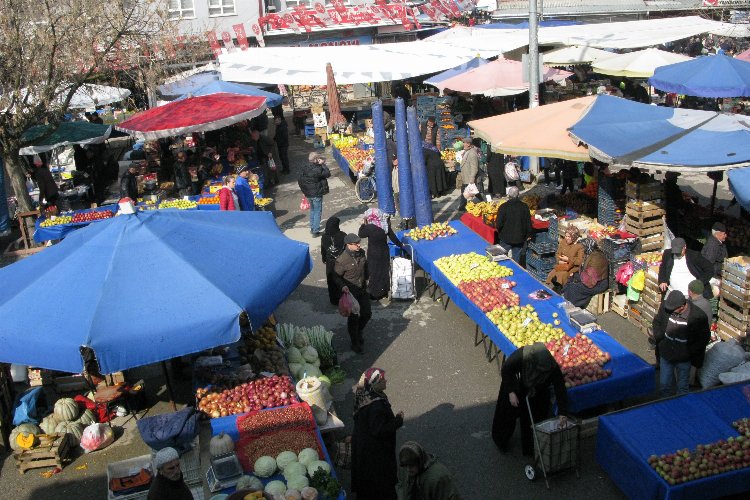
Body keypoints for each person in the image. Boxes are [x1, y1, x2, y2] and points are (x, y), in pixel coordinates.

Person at [491, 342, 568, 456]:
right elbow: (506, 370)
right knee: (507, 412)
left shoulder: (551, 365)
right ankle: (501, 440)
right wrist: (511, 392)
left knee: (536, 416)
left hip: (538, 389)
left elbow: (560, 387)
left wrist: (563, 412)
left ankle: (531, 448)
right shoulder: (521, 356)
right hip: (516, 383)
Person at [351, 368, 404, 500]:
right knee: (381, 488)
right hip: (375, 456)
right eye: (383, 379)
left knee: (365, 488)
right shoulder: (376, 406)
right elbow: (379, 430)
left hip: (363, 449)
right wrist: (398, 421)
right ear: (375, 384)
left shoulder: (364, 396)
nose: (386, 380)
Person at [651, 290, 710, 396]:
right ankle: (666, 407)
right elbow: (657, 321)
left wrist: (689, 352)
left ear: (682, 306)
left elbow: (703, 338)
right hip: (666, 354)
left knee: (682, 387)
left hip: (683, 358)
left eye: (673, 309)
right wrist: (658, 336)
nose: (669, 311)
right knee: (664, 385)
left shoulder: (698, 316)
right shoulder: (666, 306)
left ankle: (681, 409)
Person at [334, 234, 371, 353]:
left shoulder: (361, 253)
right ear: (348, 245)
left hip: (363, 289)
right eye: (356, 244)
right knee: (354, 319)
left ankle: (359, 331)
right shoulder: (341, 260)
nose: (359, 245)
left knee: (367, 314)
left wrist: (368, 278)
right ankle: (354, 342)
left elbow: (365, 267)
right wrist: (342, 286)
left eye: (359, 242)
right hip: (351, 293)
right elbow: (336, 276)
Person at [358, 208, 404, 300]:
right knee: (384, 272)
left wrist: (363, 224)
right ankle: (384, 291)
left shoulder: (369, 228)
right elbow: (393, 237)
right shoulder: (384, 225)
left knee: (374, 273)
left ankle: (375, 294)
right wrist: (401, 245)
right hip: (384, 252)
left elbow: (360, 234)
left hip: (374, 254)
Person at [397, 441, 463, 500]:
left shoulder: (438, 477)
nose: (408, 469)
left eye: (412, 466)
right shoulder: (403, 469)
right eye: (405, 465)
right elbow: (401, 486)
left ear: (420, 462)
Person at [494, 186, 532, 263]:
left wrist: (500, 232)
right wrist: (528, 235)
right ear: (518, 195)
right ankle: (515, 270)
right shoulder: (525, 207)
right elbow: (528, 223)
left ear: (508, 195)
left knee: (501, 257)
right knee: (516, 259)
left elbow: (498, 224)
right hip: (519, 238)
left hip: (505, 238)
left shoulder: (503, 207)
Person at [298, 152, 331, 236]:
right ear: (316, 159)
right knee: (317, 211)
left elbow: (300, 181)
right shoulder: (318, 169)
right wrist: (323, 164)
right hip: (316, 193)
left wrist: (304, 191)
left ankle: (312, 227)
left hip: (308, 194)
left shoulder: (304, 167)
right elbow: (327, 174)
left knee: (312, 210)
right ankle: (315, 230)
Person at [322, 217, 347, 306]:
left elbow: (323, 249)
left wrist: (324, 259)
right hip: (341, 261)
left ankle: (334, 300)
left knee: (331, 280)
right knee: (342, 279)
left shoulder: (324, 236)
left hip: (330, 262)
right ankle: (343, 298)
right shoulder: (343, 235)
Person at [458, 137, 480, 211]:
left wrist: (472, 178)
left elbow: (474, 167)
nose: (463, 144)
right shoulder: (466, 151)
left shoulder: (472, 153)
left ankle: (462, 206)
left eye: (464, 143)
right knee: (469, 191)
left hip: (469, 176)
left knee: (470, 191)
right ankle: (462, 206)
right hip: (466, 176)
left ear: (468, 144)